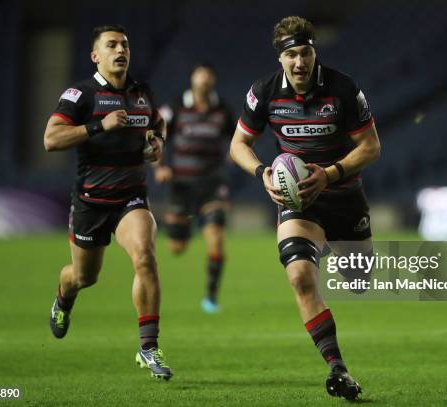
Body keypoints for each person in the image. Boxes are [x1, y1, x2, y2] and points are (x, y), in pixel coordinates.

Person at [229, 16, 380, 400]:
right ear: (280, 58)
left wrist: (329, 175)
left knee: (360, 284)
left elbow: (371, 146)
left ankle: (327, 245)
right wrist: (262, 171)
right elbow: (238, 145)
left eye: (306, 52)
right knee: (299, 277)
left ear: (315, 52)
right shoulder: (263, 91)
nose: (300, 62)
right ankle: (338, 368)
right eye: (292, 54)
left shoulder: (343, 88)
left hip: (343, 195)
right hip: (299, 202)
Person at [44, 24, 173, 380]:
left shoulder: (141, 93)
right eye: (112, 45)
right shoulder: (80, 95)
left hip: (131, 199)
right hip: (90, 202)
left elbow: (158, 123)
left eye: (125, 45)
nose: (121, 50)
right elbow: (51, 139)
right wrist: (98, 127)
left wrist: (157, 142)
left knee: (145, 257)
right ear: (95, 56)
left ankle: (148, 347)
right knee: (84, 278)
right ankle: (63, 297)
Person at [154, 63, 234, 313]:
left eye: (208, 76)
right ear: (192, 80)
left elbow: (238, 137)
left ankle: (210, 298)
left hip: (212, 184)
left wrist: (236, 152)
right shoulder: (176, 106)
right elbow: (156, 134)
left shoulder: (223, 109)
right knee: (176, 248)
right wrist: (159, 167)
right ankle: (186, 225)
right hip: (181, 185)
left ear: (213, 81)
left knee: (217, 241)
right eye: (200, 75)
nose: (204, 80)